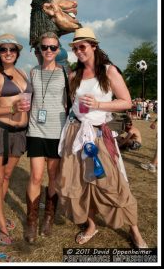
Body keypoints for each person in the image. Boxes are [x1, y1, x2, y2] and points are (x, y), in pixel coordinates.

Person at [56, 27, 148, 248]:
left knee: (112, 182)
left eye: (82, 46)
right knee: (78, 182)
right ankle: (91, 225)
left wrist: (99, 105)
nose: (78, 51)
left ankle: (134, 230)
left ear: (94, 46)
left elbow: (126, 102)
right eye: (75, 48)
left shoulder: (108, 71)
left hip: (98, 134)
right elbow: (72, 106)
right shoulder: (73, 75)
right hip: (75, 133)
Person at [0, 33, 33, 245]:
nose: (8, 52)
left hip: (20, 133)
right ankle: (0, 223)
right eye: (3, 49)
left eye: (12, 49)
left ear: (17, 53)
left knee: (7, 176)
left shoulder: (22, 73)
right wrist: (10, 107)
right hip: (1, 131)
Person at [25, 32, 69, 244]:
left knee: (52, 177)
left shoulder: (65, 74)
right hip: (35, 131)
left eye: (53, 47)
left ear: (58, 50)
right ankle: (31, 221)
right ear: (39, 50)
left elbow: (71, 103)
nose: (48, 51)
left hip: (57, 132)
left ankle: (49, 218)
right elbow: (26, 98)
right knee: (35, 176)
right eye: (45, 47)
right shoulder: (32, 72)